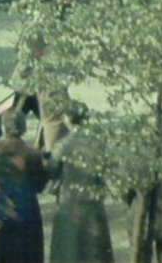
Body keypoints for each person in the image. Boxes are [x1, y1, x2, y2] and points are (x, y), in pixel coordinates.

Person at [0, 110, 49, 263]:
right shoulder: (33, 154)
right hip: (28, 213)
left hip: (1, 209)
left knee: (1, 254)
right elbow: (40, 186)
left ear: (4, 128)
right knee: (28, 255)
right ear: (24, 128)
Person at [47, 102, 112, 263]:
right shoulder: (98, 143)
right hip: (93, 202)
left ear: (68, 119)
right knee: (95, 251)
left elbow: (51, 170)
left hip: (69, 202)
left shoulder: (63, 145)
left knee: (68, 251)